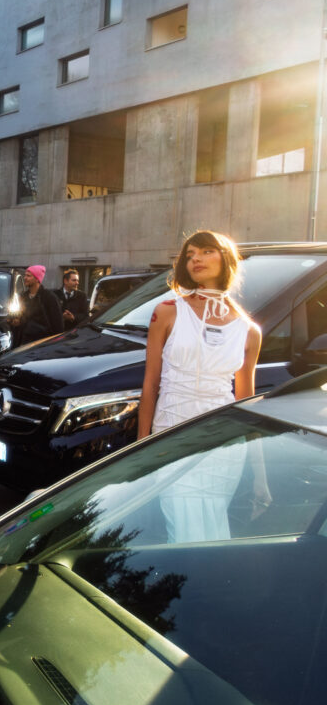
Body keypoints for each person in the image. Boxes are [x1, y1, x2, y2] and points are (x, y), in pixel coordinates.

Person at [137, 230, 265, 543]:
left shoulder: (249, 330)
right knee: (181, 529)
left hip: (223, 449)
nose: (196, 258)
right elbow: (150, 384)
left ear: (226, 258)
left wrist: (261, 476)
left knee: (213, 529)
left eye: (206, 251)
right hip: (171, 435)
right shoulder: (166, 312)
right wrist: (139, 451)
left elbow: (246, 402)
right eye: (190, 254)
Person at [9, 264, 62, 347]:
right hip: (24, 343)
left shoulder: (49, 297)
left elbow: (58, 325)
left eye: (29, 276)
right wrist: (16, 321)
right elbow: (20, 318)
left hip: (42, 344)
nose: (25, 278)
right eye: (25, 275)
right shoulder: (23, 297)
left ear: (37, 279)